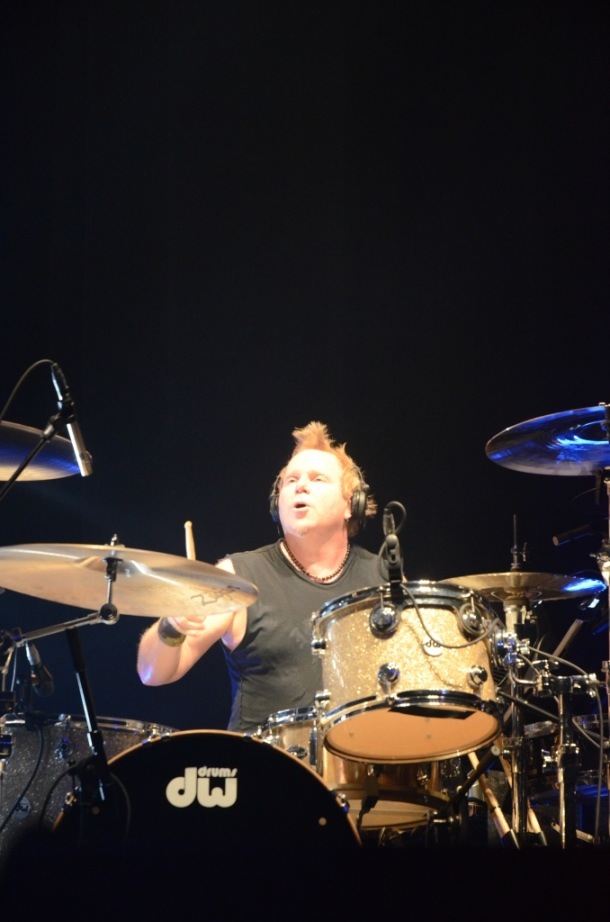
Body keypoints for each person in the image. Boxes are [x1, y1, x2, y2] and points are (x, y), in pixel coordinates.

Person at [137, 420, 388, 734]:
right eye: (291, 480)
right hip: (262, 761)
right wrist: (171, 625)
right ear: (276, 503)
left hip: (362, 757)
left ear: (351, 504)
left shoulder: (383, 577)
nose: (300, 486)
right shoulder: (238, 577)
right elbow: (154, 673)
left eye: (318, 479)